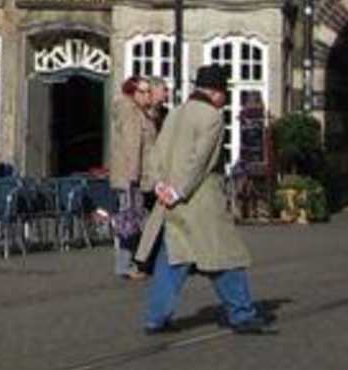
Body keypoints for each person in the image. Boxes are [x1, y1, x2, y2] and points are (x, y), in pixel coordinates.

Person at [137, 63, 271, 335]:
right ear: (216, 92)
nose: (225, 99)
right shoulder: (212, 117)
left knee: (173, 262)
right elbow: (201, 160)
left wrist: (160, 185)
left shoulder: (175, 113)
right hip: (200, 201)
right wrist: (179, 190)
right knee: (226, 259)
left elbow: (156, 153)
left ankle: (156, 318)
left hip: (170, 202)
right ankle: (242, 314)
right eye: (225, 93)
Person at [108, 75, 161, 280]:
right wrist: (133, 177)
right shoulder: (130, 113)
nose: (148, 95)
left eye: (149, 91)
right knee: (128, 221)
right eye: (144, 91)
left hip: (138, 175)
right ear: (133, 93)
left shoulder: (142, 113)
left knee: (135, 220)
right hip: (131, 177)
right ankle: (125, 266)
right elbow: (133, 146)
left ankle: (136, 262)